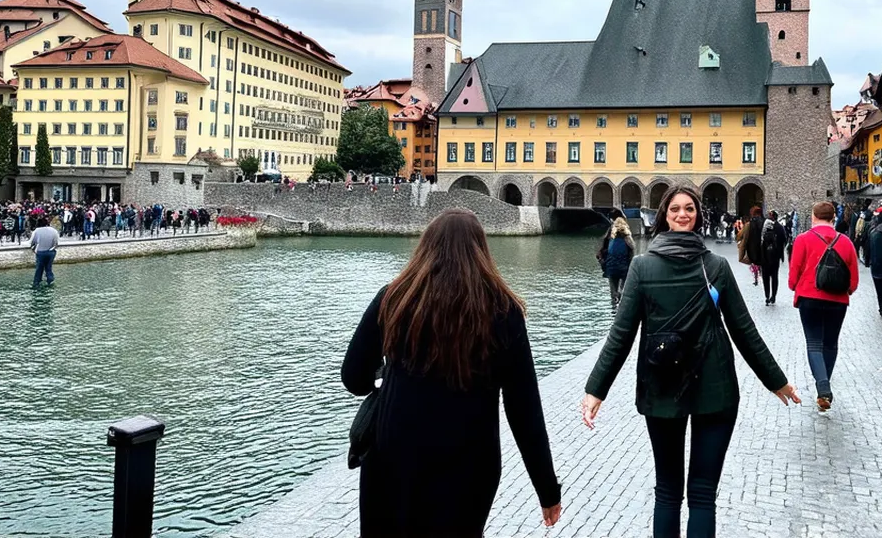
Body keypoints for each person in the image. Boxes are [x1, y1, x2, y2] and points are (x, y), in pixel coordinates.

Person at [582, 186, 799, 538]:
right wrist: (596, 391)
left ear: (697, 215)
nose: (683, 214)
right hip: (710, 390)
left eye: (689, 209)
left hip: (667, 386)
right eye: (675, 209)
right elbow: (620, 336)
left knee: (681, 493)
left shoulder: (665, 267)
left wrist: (777, 381)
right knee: (685, 493)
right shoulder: (704, 266)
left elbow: (745, 331)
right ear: (665, 216)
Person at [341, 209, 562, 537]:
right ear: (481, 252)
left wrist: (390, 373)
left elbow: (353, 377)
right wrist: (547, 489)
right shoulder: (503, 312)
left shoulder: (393, 299)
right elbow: (524, 410)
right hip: (469, 465)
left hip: (393, 455)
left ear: (426, 246)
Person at [788, 201, 859, 412]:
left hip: (810, 297)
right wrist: (848, 291)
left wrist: (795, 286)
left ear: (814, 217)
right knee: (830, 344)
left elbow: (794, 272)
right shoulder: (846, 242)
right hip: (837, 300)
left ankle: (823, 386)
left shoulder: (803, 240)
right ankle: (824, 386)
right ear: (833, 218)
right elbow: (853, 279)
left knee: (814, 343)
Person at [602, 217, 635, 312]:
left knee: (613, 290)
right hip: (624, 268)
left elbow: (604, 250)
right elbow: (632, 249)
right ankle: (622, 308)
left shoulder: (610, 237)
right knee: (624, 289)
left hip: (611, 267)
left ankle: (613, 308)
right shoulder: (627, 237)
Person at [760, 210, 788, 305]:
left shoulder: (764, 226)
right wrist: (780, 251)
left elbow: (760, 241)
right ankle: (773, 296)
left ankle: (767, 295)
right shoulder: (780, 227)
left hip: (765, 256)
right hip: (775, 256)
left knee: (766, 277)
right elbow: (785, 239)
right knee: (774, 277)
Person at [29, 216, 59, 289]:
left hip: (40, 252)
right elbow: (56, 244)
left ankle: (36, 283)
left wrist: (33, 250)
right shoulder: (53, 230)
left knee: (39, 269)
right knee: (49, 268)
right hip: (51, 252)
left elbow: (32, 242)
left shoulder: (37, 231)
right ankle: (50, 282)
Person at [739, 206, 765, 285]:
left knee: (754, 264)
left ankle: (756, 279)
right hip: (762, 247)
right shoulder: (765, 222)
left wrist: (742, 250)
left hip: (752, 248)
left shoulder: (749, 224)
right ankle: (762, 278)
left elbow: (743, 237)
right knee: (761, 264)